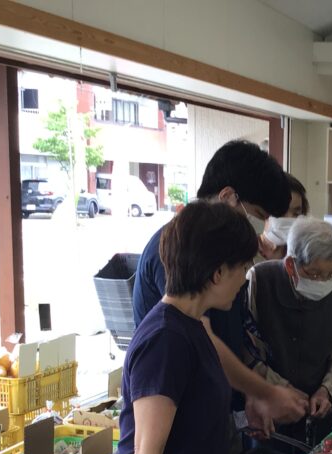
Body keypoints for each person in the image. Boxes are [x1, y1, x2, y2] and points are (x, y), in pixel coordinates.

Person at [88, 201, 258, 454]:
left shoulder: (192, 325)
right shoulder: (166, 339)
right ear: (217, 272)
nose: (245, 278)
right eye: (242, 268)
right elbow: (148, 448)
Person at [131, 139, 308, 436]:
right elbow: (204, 336)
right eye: (257, 216)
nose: (259, 232)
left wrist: (251, 393)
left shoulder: (226, 264)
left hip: (216, 423)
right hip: (178, 432)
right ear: (227, 197)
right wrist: (265, 392)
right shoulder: (176, 250)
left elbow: (232, 336)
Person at [247, 218, 332, 447]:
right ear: (290, 265)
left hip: (317, 411)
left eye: (330, 273)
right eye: (314, 274)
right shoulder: (260, 280)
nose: (324, 281)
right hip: (267, 409)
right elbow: (246, 350)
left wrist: (326, 389)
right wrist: (277, 388)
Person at [258, 174, 309, 262]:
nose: (289, 218)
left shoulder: (303, 255)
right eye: (281, 212)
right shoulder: (246, 254)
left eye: (296, 213)